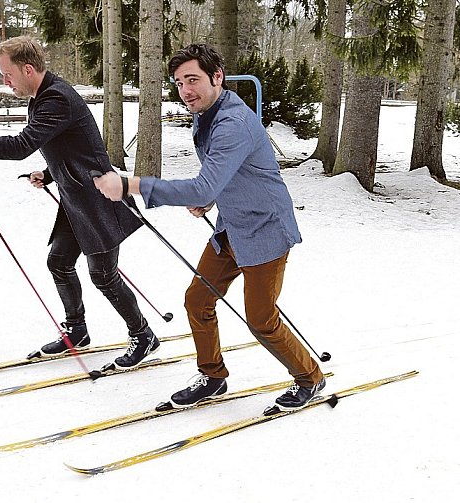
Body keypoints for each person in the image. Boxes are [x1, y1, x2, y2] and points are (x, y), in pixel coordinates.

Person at [94, 43, 325, 410]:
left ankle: (309, 377)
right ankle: (213, 376)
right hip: (232, 228)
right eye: (179, 83)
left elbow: (204, 182)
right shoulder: (210, 112)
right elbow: (225, 173)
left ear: (217, 77)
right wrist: (212, 199)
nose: (185, 91)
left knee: (262, 320)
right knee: (198, 300)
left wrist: (129, 184)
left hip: (265, 231)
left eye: (192, 80)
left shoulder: (233, 122)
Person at [0, 36, 159, 369]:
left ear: (29, 69)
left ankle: (143, 335)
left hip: (97, 199)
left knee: (103, 276)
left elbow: (20, 145)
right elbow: (73, 146)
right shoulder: (42, 97)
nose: (5, 81)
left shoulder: (56, 99)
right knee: (59, 262)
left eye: (8, 74)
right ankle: (77, 330)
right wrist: (50, 174)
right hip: (75, 198)